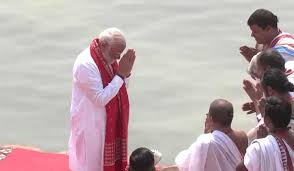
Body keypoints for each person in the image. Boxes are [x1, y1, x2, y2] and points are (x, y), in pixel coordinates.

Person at [68, 28, 136, 171]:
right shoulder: (86, 64)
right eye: (115, 53)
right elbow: (100, 99)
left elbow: (121, 88)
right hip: (90, 122)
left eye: (120, 54)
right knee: (89, 163)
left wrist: (126, 73)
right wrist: (121, 75)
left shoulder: (108, 59)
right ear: (103, 45)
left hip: (108, 121)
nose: (117, 59)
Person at [161, 99, 248, 171]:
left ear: (210, 118)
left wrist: (206, 135)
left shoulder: (205, 142)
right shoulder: (243, 136)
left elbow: (184, 164)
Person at [236, 96, 294, 171]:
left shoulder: (260, 146)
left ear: (267, 120)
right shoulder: (291, 136)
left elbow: (240, 168)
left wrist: (260, 141)